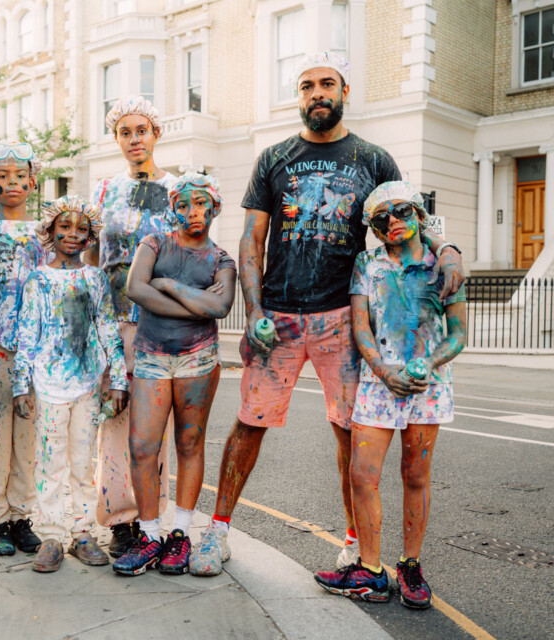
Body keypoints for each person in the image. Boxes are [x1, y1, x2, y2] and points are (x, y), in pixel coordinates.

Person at [189, 52, 465, 577]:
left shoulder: (373, 158)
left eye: (327, 84)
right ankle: (217, 530)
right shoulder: (273, 157)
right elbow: (252, 238)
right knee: (249, 424)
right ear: (299, 98)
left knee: (349, 433)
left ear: (343, 93)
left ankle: (355, 542)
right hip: (280, 317)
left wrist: (446, 248)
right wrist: (253, 312)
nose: (317, 93)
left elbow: (406, 209)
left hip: (343, 315)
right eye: (307, 86)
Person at [314, 181, 466, 608]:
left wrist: (428, 365)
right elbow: (361, 327)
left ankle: (411, 565)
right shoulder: (367, 263)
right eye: (381, 218)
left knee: (415, 475)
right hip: (378, 383)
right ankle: (370, 569)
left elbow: (458, 335)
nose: (393, 221)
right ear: (374, 228)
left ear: (418, 214)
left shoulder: (445, 265)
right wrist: (382, 370)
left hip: (426, 385)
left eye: (401, 212)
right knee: (362, 474)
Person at [113, 173, 236, 576]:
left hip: (198, 359)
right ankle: (149, 535)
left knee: (189, 442)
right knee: (143, 446)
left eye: (200, 203)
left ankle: (179, 535)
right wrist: (195, 304)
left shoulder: (222, 260)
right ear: (173, 209)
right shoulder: (155, 244)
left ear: (214, 207)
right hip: (151, 355)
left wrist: (166, 285)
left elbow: (221, 308)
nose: (191, 212)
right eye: (182, 205)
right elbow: (136, 289)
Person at [12, 196, 128, 573]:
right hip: (47, 384)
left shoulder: (94, 278)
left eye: (82, 229)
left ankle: (81, 533)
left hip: (87, 384)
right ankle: (50, 536)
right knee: (49, 462)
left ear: (91, 235)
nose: (73, 235)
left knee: (83, 462)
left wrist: (119, 379)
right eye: (65, 227)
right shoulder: (38, 280)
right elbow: (27, 334)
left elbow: (108, 328)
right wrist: (20, 384)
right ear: (50, 230)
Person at [84, 96, 178, 558]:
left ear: (156, 133)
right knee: (115, 422)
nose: (134, 139)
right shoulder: (104, 192)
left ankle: (152, 517)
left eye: (142, 129)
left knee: (153, 427)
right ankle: (121, 521)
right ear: (116, 138)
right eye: (125, 132)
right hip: (113, 321)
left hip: (162, 324)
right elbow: (90, 256)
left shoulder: (180, 189)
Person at [0, 140, 46, 555]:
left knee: (29, 434)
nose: (12, 183)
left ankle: (22, 515)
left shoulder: (45, 234)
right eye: (3, 176)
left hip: (35, 350)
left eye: (19, 176)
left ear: (32, 183)